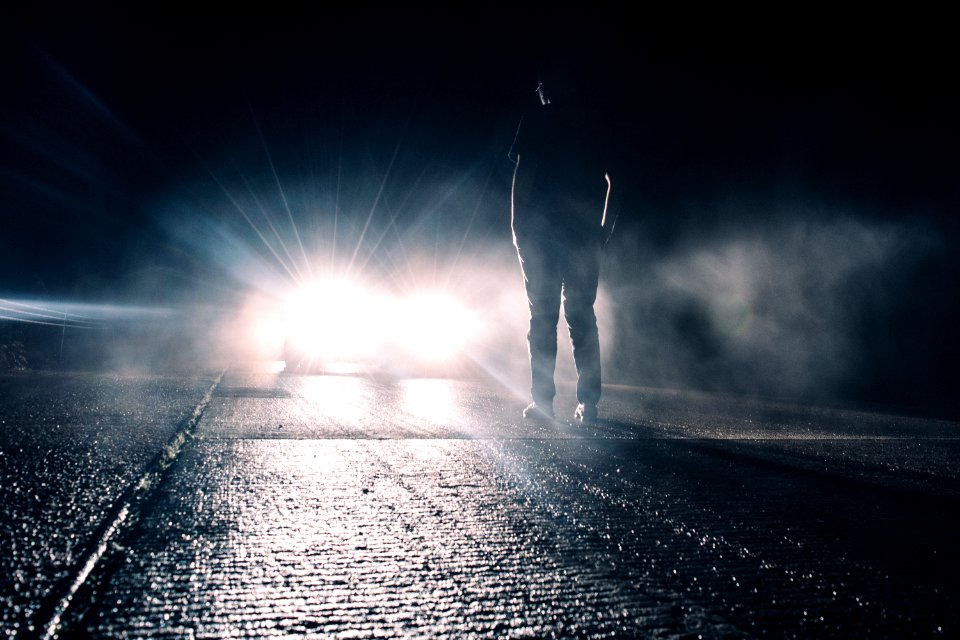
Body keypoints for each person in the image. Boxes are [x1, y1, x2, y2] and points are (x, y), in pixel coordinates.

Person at [507, 58, 618, 425]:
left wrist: (518, 229)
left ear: (544, 89)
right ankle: (589, 403)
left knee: (543, 318)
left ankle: (543, 403)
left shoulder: (537, 119)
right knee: (581, 317)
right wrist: (604, 229)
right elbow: (613, 182)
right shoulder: (594, 123)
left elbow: (523, 180)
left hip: (541, 236)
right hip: (582, 236)